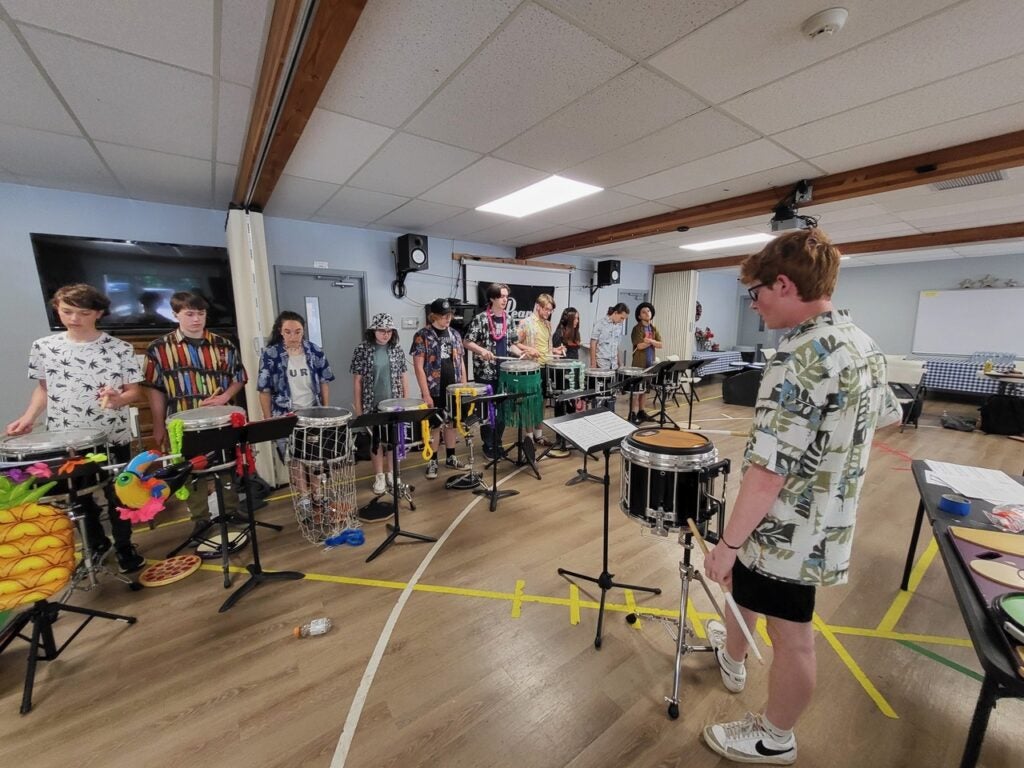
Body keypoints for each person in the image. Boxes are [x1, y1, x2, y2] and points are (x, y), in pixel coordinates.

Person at [699, 228, 901, 765]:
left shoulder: (800, 356)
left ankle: (774, 735)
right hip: (827, 520)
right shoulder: (862, 343)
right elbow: (887, 417)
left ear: (783, 284)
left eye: (757, 293)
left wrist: (727, 543)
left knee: (792, 636)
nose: (755, 304)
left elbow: (768, 473)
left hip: (788, 529)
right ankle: (733, 653)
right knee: (747, 594)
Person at [6, 284, 146, 573]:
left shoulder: (120, 349)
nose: (73, 319)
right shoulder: (44, 347)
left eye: (83, 313)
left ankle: (124, 546)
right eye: (67, 311)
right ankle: (96, 545)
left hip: (110, 435)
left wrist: (118, 398)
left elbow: (134, 392)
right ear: (57, 308)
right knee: (77, 495)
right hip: (65, 437)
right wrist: (29, 417)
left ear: (98, 313)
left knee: (118, 494)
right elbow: (43, 390)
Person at [142, 291, 247, 538]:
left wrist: (224, 397)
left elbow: (239, 378)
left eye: (201, 314)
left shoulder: (224, 345)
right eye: (189, 314)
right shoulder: (158, 349)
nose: (196, 319)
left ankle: (230, 510)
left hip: (219, 420)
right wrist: (158, 426)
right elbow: (154, 391)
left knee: (225, 465)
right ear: (176, 314)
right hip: (181, 422)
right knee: (191, 470)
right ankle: (200, 518)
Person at [350, 312, 408, 502]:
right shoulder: (362, 350)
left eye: (389, 331)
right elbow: (357, 381)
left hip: (394, 403)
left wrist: (406, 402)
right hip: (371, 402)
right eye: (382, 330)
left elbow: (403, 376)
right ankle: (379, 476)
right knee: (376, 442)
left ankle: (393, 474)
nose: (385, 334)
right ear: (373, 331)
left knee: (392, 440)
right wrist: (359, 409)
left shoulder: (396, 349)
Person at [463, 283, 523, 459]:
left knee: (503, 411)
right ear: (492, 298)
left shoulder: (509, 319)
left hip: (504, 373)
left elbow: (512, 343)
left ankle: (497, 442)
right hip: (485, 373)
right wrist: (482, 351)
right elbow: (467, 341)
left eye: (506, 296)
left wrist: (521, 354)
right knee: (488, 411)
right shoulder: (481, 319)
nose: (505, 300)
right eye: (501, 296)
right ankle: (488, 445)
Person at [411, 298, 468, 479]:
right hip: (434, 389)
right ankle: (433, 460)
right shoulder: (422, 335)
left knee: (451, 423)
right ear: (434, 316)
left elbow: (461, 362)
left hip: (454, 388)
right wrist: (425, 393)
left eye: (449, 315)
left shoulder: (455, 335)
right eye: (443, 316)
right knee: (435, 425)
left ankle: (451, 457)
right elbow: (418, 367)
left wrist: (464, 387)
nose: (447, 319)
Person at [257, 310, 335, 422]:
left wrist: (326, 411)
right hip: (283, 415)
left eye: (298, 332)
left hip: (313, 412)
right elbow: (264, 391)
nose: (293, 337)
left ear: (303, 332)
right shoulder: (270, 354)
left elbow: (324, 382)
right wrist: (268, 420)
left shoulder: (315, 351)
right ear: (280, 332)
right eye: (288, 332)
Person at [513, 293, 565, 447]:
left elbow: (546, 347)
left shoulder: (548, 324)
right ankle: (528, 438)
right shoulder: (526, 323)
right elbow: (514, 343)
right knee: (530, 403)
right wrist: (528, 349)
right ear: (538, 306)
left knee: (541, 402)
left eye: (550, 311)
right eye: (547, 310)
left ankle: (539, 435)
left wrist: (555, 350)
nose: (548, 313)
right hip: (531, 368)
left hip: (546, 367)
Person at [629, 302, 662, 423]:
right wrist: (652, 342)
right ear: (639, 316)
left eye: (648, 311)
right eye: (644, 312)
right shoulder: (637, 329)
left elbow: (661, 344)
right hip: (639, 364)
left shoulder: (653, 328)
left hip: (650, 363)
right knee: (637, 390)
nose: (647, 313)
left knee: (645, 390)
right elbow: (640, 346)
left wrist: (650, 341)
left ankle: (641, 412)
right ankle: (632, 413)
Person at [589, 302, 629, 371]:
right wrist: (593, 363)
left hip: (614, 365)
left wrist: (620, 363)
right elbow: (593, 344)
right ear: (616, 313)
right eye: (621, 318)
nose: (622, 321)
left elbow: (616, 346)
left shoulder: (619, 326)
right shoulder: (600, 324)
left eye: (624, 319)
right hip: (601, 365)